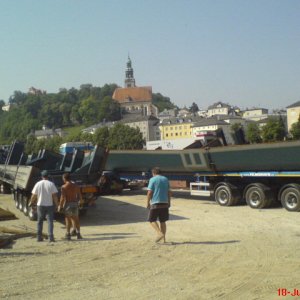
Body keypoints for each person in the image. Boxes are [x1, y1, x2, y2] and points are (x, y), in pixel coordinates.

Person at [30, 170, 58, 242]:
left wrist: (31, 202)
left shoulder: (38, 184)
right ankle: (51, 237)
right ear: (48, 176)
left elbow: (34, 195)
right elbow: (54, 196)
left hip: (40, 205)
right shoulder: (51, 184)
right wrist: (57, 204)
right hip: (49, 205)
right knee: (50, 222)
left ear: (42, 176)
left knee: (40, 221)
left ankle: (39, 237)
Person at [146, 167, 171, 243]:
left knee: (151, 220)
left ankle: (159, 233)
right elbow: (169, 192)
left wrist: (147, 203)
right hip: (165, 203)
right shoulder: (165, 179)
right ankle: (164, 240)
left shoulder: (152, 179)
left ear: (153, 173)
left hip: (155, 203)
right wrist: (169, 202)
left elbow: (150, 192)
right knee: (163, 221)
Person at [58, 173, 83, 240]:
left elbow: (62, 198)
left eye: (63, 178)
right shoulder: (76, 185)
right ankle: (78, 234)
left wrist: (60, 206)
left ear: (64, 178)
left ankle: (68, 234)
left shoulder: (64, 187)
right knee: (76, 219)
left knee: (68, 220)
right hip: (75, 204)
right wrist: (81, 201)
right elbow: (80, 195)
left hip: (68, 204)